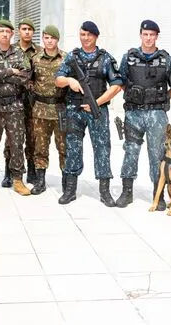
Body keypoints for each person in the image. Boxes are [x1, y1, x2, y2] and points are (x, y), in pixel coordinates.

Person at [115, 20, 171, 209]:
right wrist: (132, 95)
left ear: (156, 36)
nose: (148, 38)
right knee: (130, 152)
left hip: (156, 114)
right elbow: (119, 81)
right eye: (145, 34)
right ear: (140, 35)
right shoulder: (129, 57)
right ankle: (126, 192)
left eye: (152, 34)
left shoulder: (166, 59)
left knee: (157, 155)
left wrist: (161, 99)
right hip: (134, 113)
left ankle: (158, 194)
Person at [55, 21, 123, 206]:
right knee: (73, 148)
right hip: (74, 110)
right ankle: (70, 191)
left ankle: (105, 192)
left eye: (89, 35)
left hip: (97, 110)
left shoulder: (106, 58)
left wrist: (97, 103)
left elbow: (117, 85)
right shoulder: (72, 57)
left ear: (96, 36)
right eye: (82, 34)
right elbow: (58, 80)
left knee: (102, 149)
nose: (85, 38)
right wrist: (69, 80)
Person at [0, 20, 32, 195]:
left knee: (17, 144)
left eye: (7, 31)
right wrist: (11, 71)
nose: (4, 34)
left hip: (15, 106)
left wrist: (0, 75)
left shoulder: (19, 53)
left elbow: (26, 77)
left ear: (12, 34)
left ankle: (18, 180)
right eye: (1, 31)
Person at [27, 24, 67, 194]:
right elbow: (28, 79)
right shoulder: (35, 58)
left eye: (53, 38)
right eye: (46, 38)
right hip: (40, 109)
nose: (49, 41)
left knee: (64, 147)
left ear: (58, 39)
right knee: (40, 147)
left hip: (60, 109)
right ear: (43, 39)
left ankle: (67, 181)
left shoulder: (66, 58)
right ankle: (40, 181)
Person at [16, 17, 41, 186]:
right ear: (19, 31)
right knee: (14, 137)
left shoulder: (39, 51)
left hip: (32, 101)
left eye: (30, 29)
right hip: (14, 99)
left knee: (33, 137)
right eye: (24, 29)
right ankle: (12, 172)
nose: (27, 32)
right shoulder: (11, 50)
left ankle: (32, 170)